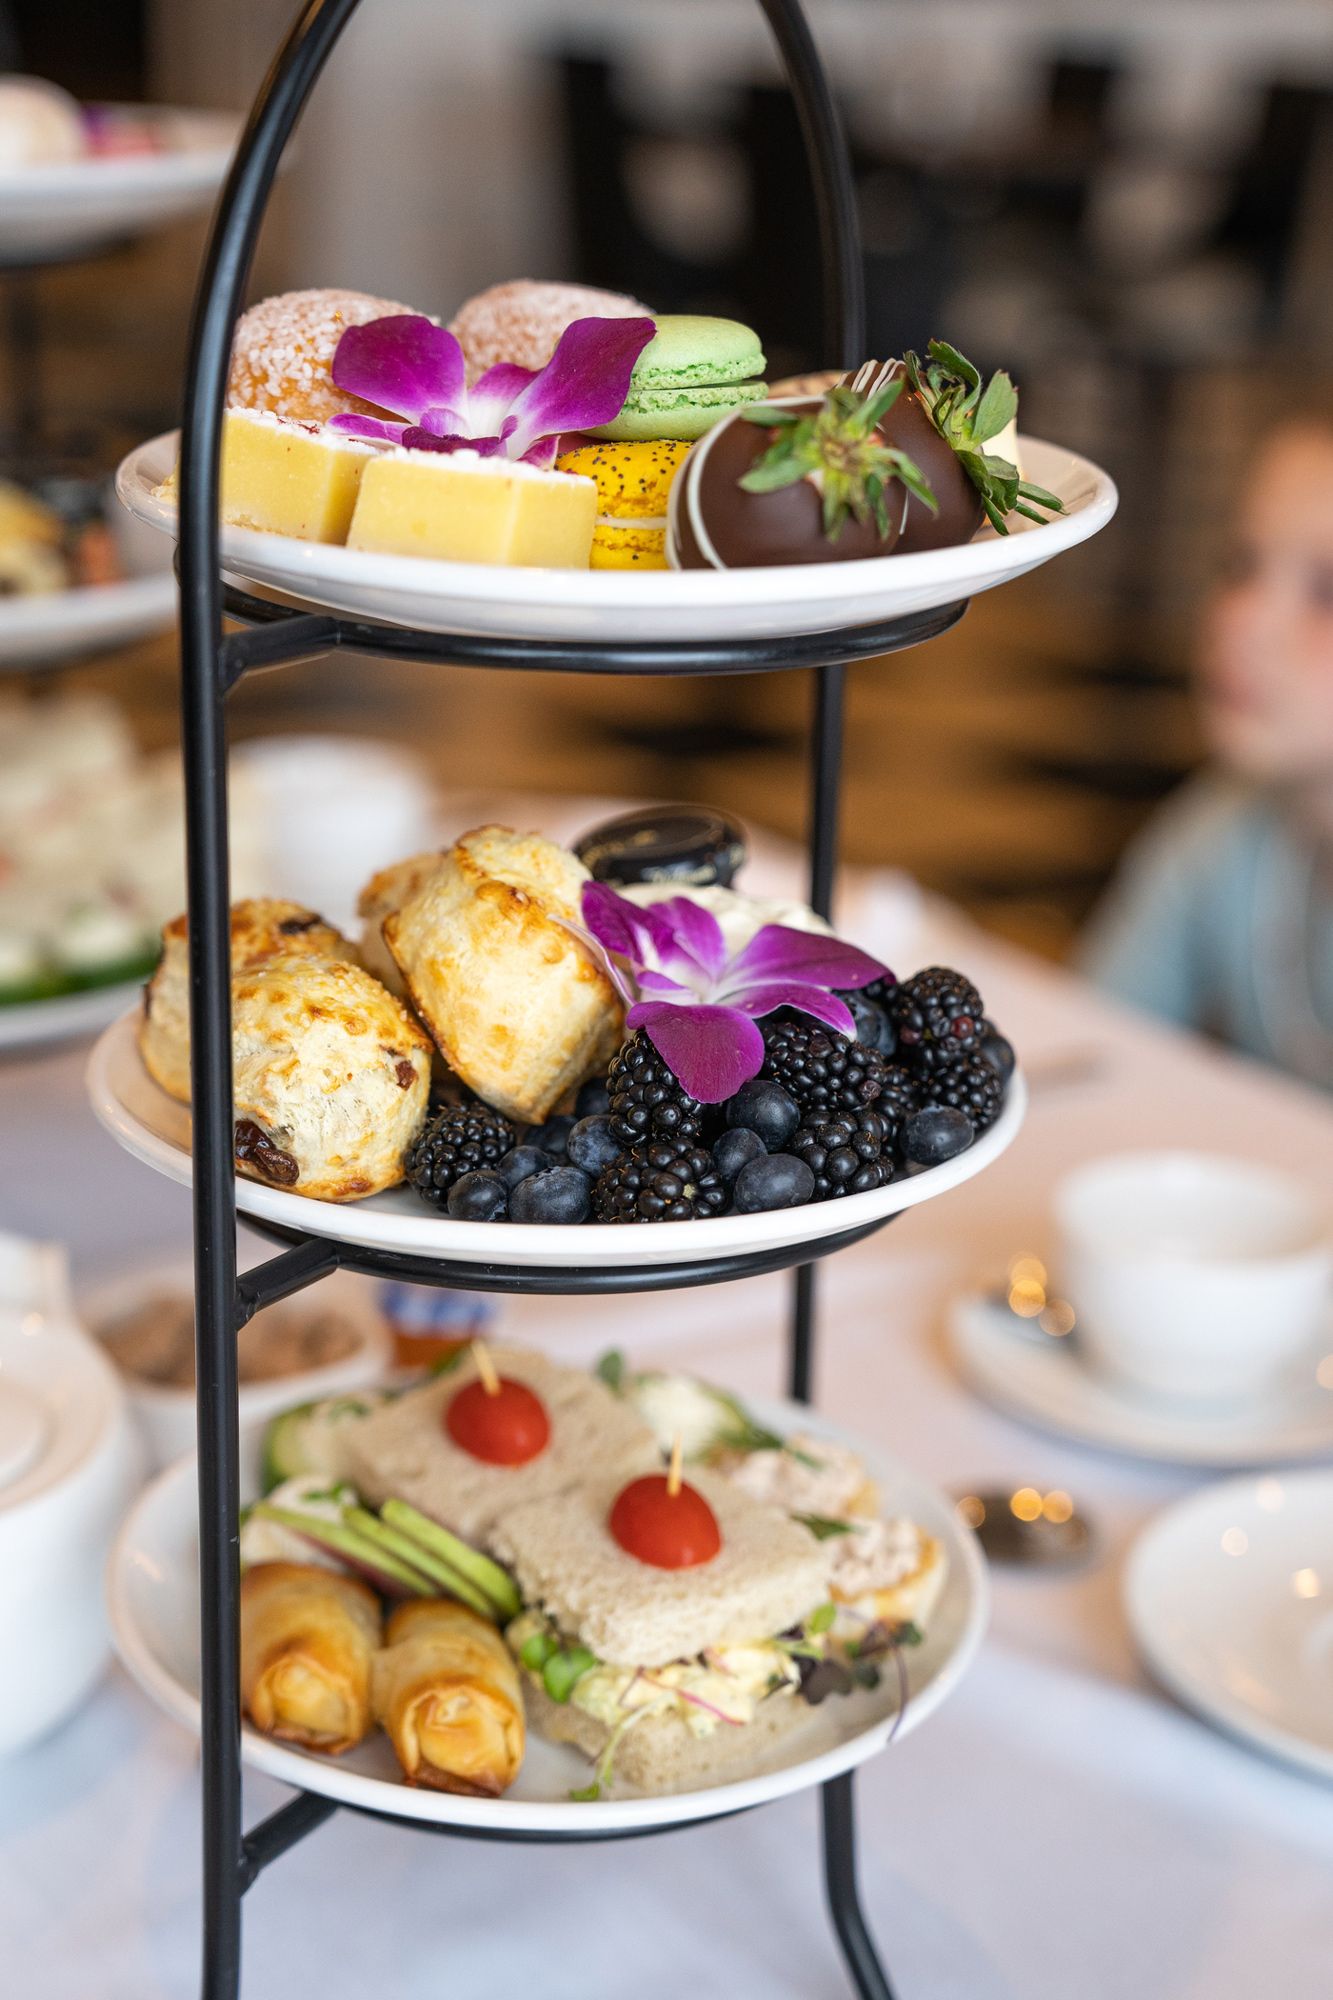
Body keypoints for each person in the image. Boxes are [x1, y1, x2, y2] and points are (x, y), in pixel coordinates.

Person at [1081, 420, 1333, 1090]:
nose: (1244, 620)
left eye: (1325, 592)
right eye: (1240, 564)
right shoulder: (1220, 828)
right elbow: (1094, 1044)